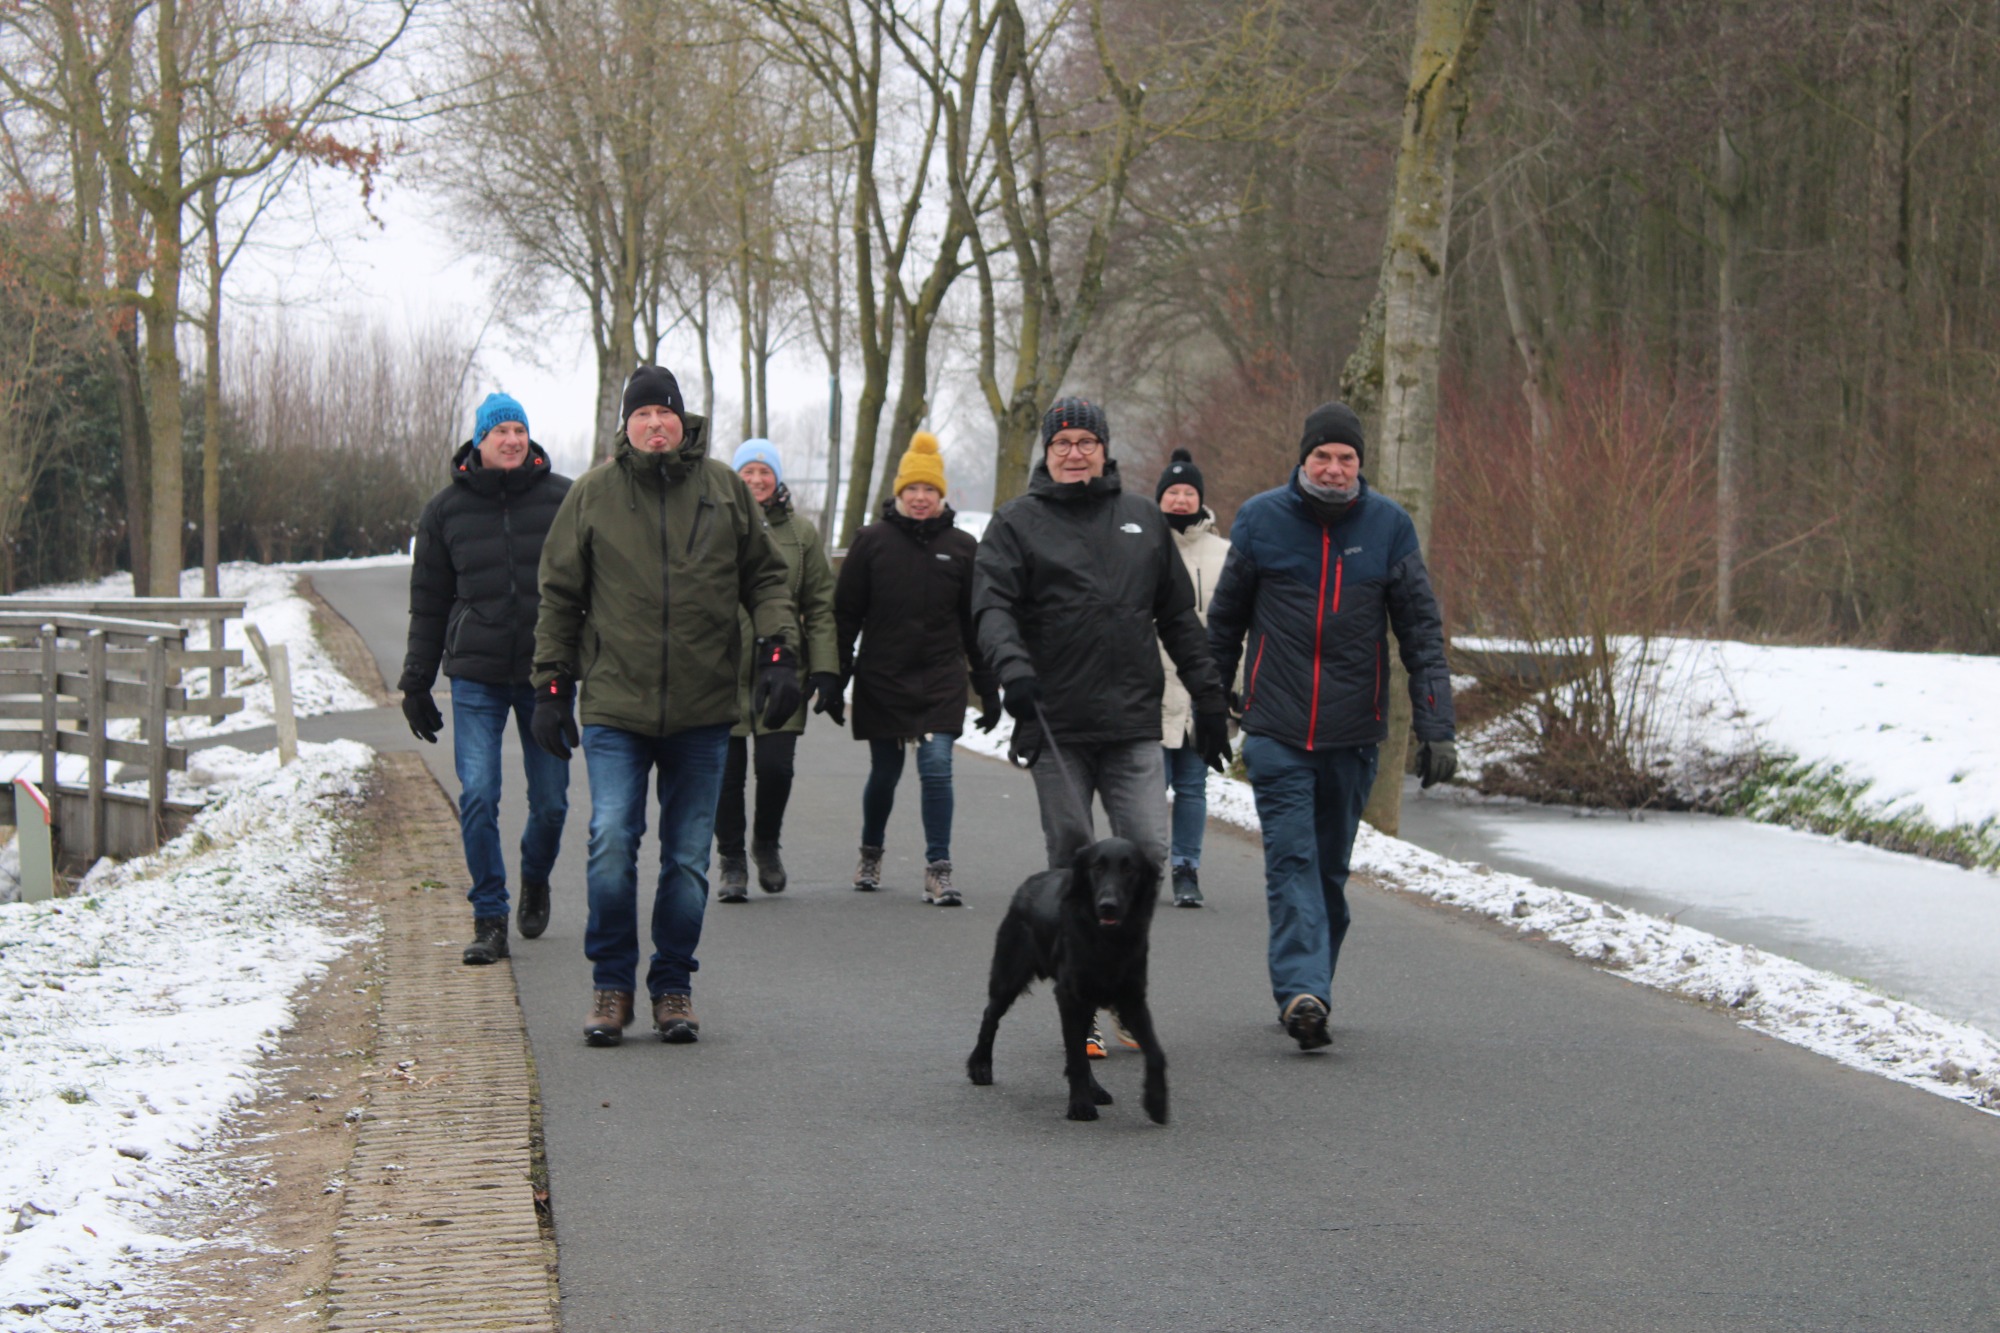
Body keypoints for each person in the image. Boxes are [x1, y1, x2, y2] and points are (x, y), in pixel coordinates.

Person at [530, 366, 798, 1047]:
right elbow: (560, 595)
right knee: (611, 840)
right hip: (615, 705)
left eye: (666, 412)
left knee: (685, 858)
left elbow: (767, 576)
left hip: (704, 709)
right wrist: (552, 685)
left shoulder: (724, 491)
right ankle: (611, 984)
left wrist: (778, 650)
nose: (655, 423)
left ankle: (673, 984)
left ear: (684, 421)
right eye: (642, 413)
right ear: (626, 425)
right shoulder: (593, 494)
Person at [973, 397, 1231, 1056]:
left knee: (1145, 853)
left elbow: (1178, 618)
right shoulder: (1016, 523)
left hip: (1131, 721)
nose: (1075, 452)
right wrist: (1012, 670)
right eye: (1063, 442)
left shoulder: (1143, 520)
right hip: (1055, 722)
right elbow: (992, 607)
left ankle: (1119, 988)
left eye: (1086, 441)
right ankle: (1079, 996)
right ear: (1047, 451)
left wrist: (1209, 698)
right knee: (1073, 860)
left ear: (1104, 449)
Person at [1205, 401, 1457, 1051]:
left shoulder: (1389, 526)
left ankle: (1312, 986)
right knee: (1292, 859)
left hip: (1353, 733)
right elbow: (1224, 625)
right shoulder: (1261, 519)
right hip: (1276, 727)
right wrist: (1211, 710)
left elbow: (1421, 632)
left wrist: (1437, 725)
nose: (1334, 468)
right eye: (1323, 456)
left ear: (1360, 464)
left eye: (1346, 458)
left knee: (1327, 874)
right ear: (1304, 458)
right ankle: (1302, 992)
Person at [399, 391, 572, 967]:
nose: (512, 440)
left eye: (519, 430)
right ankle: (490, 916)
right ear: (480, 441)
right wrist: (416, 681)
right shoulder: (444, 511)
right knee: (477, 794)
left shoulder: (563, 500)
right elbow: (428, 603)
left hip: (546, 675)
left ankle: (535, 876)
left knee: (551, 802)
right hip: (476, 676)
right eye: (501, 432)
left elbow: (592, 588)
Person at [834, 431, 1000, 906]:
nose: (921, 497)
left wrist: (987, 687)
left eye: (929, 489)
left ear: (941, 494)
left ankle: (938, 869)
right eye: (913, 489)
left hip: (941, 678)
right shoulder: (871, 542)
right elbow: (846, 616)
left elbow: (974, 623)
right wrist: (835, 678)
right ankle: (870, 853)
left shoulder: (962, 547)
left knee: (937, 768)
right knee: (885, 772)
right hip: (883, 677)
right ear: (899, 492)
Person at [714, 438, 840, 901]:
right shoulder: (714, 525)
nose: (756, 480)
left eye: (765, 472)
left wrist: (826, 669)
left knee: (776, 769)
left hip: (782, 670)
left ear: (778, 478)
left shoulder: (801, 535)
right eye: (747, 472)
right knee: (725, 775)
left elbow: (820, 605)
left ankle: (766, 845)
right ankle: (731, 860)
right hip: (721, 671)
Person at [1155, 447, 1232, 909]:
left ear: (1201, 499)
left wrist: (1231, 689)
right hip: (1151, 687)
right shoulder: (1144, 545)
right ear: (1160, 497)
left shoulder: (1226, 553)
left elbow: (1239, 625)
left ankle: (1186, 869)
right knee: (1149, 787)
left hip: (1203, 689)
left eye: (1189, 492)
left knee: (1192, 785)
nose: (1180, 499)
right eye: (1173, 491)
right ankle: (1143, 866)